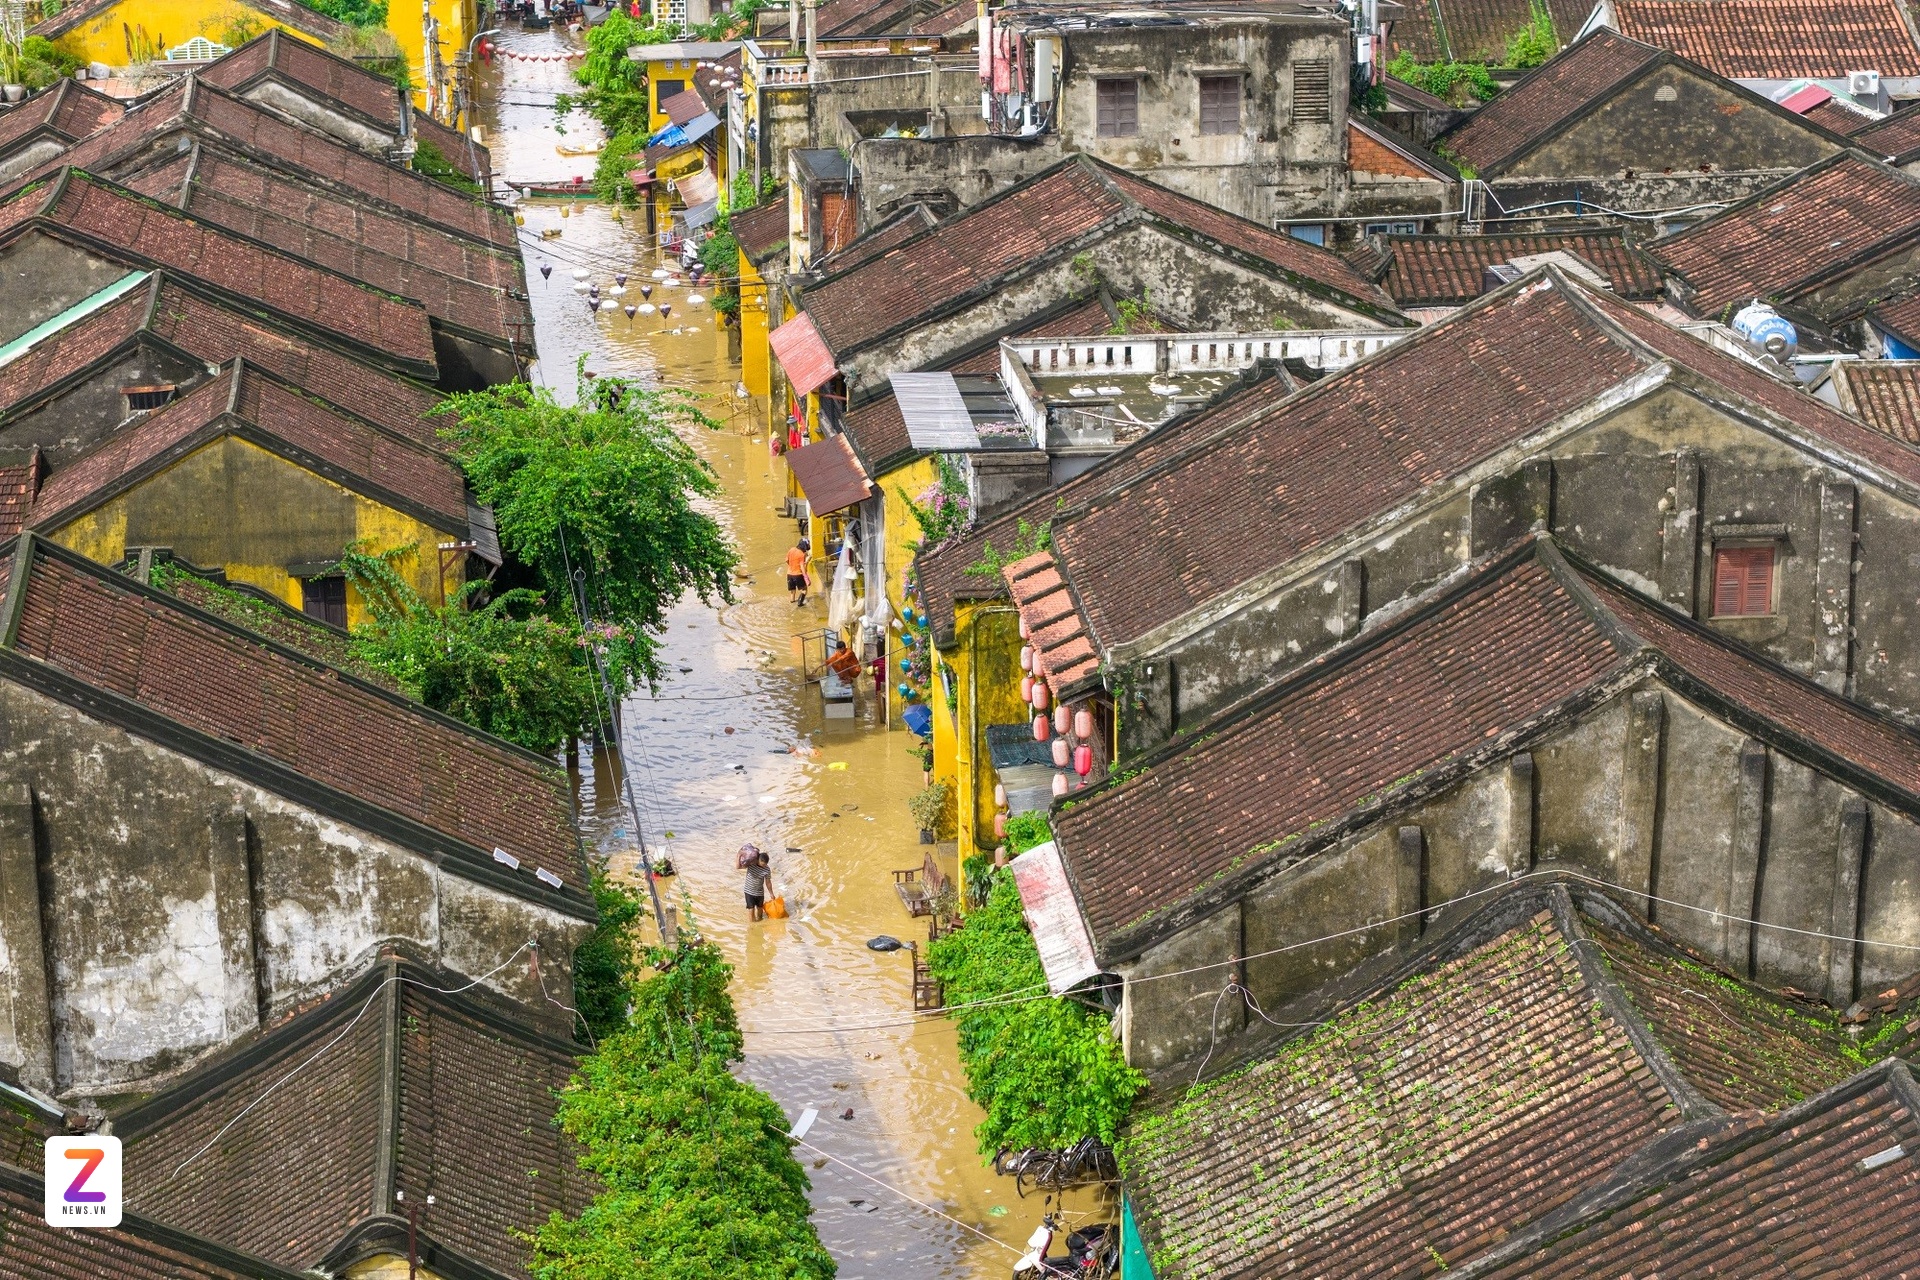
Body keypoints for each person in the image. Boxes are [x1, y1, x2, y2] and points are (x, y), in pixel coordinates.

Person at [744, 851, 774, 921]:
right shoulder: (751, 864)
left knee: (760, 909)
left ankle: (759, 923)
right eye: (763, 864)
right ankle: (752, 927)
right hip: (749, 891)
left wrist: (771, 894)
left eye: (765, 865)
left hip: (759, 892)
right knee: (751, 909)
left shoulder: (767, 869)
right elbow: (740, 865)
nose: (764, 866)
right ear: (758, 860)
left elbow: (768, 882)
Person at [786, 539, 812, 607]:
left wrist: (792, 566)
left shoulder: (791, 549)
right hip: (798, 575)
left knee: (792, 592)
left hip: (789, 574)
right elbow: (802, 568)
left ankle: (792, 602)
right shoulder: (801, 554)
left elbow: (786, 560)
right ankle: (800, 603)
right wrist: (807, 561)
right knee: (804, 589)